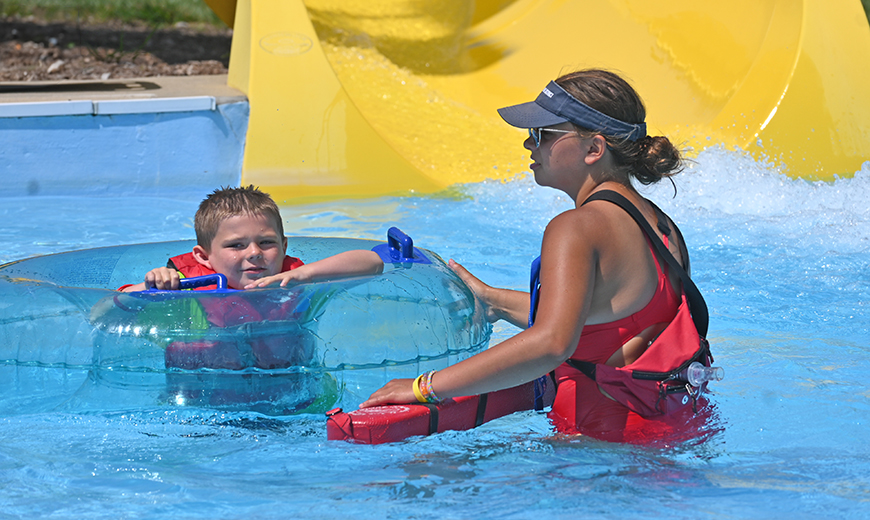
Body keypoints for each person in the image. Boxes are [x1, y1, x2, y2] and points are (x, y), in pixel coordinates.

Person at [361, 69, 701, 440]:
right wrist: (494, 301)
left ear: (594, 149)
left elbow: (552, 343)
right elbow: (608, 321)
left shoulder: (576, 227)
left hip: (597, 456)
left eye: (542, 134)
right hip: (671, 435)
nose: (528, 145)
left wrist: (423, 387)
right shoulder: (661, 226)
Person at [120, 185, 384, 292]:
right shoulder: (189, 282)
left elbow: (371, 262)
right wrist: (155, 285)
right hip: (200, 392)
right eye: (236, 245)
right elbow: (107, 308)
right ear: (203, 256)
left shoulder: (289, 275)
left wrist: (306, 274)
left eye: (267, 242)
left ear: (284, 246)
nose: (254, 252)